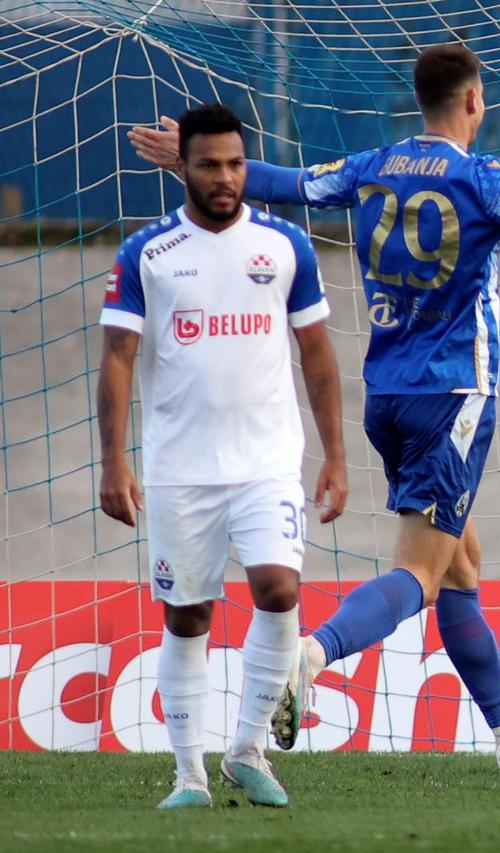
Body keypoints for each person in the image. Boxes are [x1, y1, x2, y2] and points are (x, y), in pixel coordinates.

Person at [129, 42, 500, 785]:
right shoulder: (481, 177)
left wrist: (190, 165)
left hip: (387, 396)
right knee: (420, 571)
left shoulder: (373, 165)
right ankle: (308, 655)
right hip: (453, 397)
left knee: (460, 565)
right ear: (474, 100)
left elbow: (288, 184)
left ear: (420, 101)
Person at [100, 103, 348, 808]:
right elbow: (117, 358)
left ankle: (247, 749)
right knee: (188, 616)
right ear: (182, 167)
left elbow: (317, 354)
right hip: (180, 470)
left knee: (279, 588)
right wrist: (113, 461)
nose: (225, 177)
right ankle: (189, 774)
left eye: (236, 164)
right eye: (209, 164)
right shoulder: (147, 253)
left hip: (267, 462)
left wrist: (335, 454)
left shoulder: (285, 245)